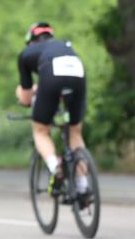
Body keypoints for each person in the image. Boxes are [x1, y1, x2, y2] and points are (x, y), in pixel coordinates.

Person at [14, 22, 90, 202]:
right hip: (77, 70)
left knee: (40, 130)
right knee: (75, 132)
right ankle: (83, 187)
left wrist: (25, 94)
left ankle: (56, 167)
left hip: (50, 75)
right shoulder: (64, 45)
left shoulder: (26, 54)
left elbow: (25, 99)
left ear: (31, 41)